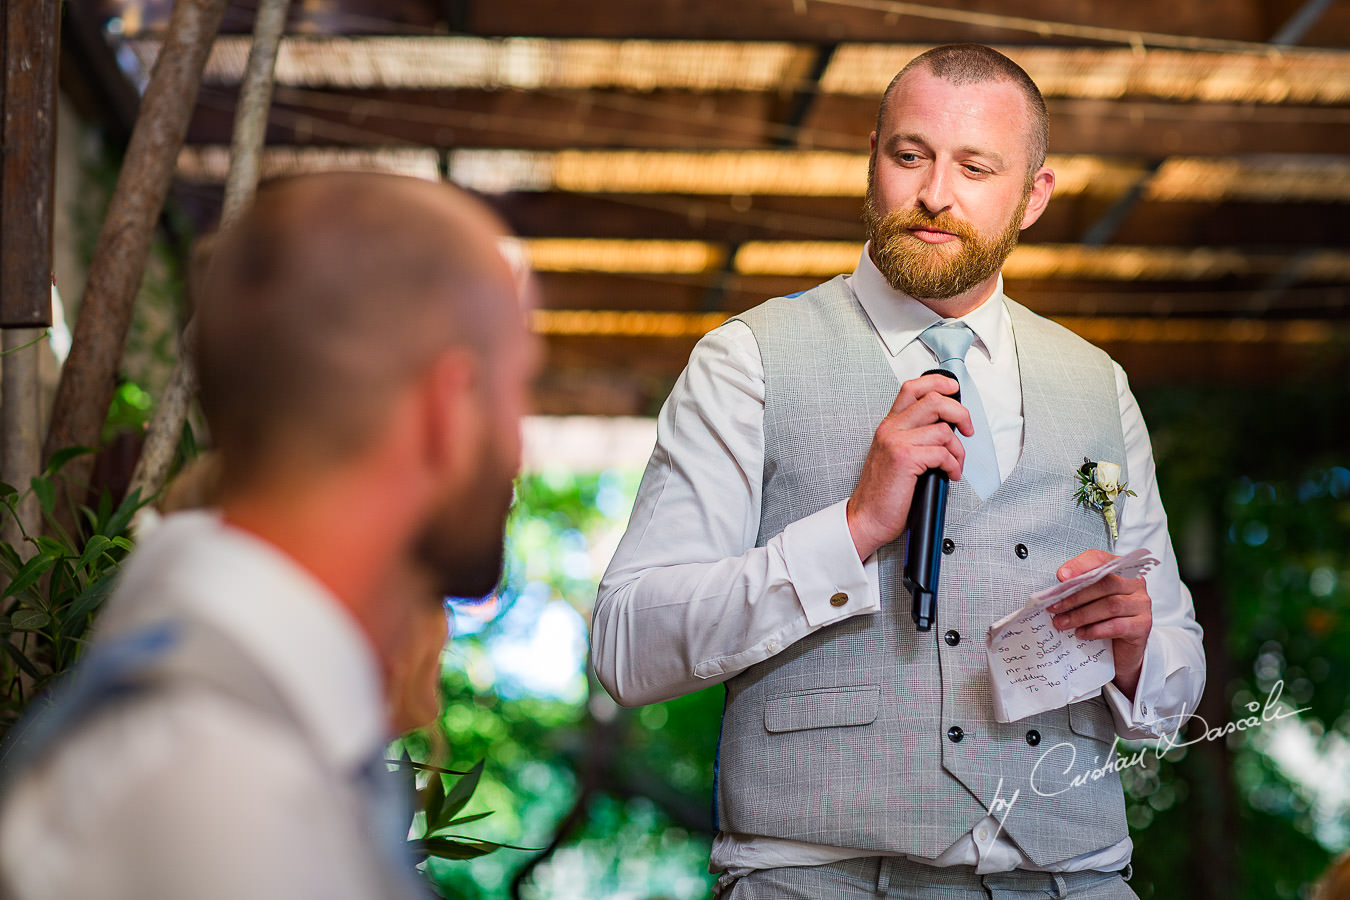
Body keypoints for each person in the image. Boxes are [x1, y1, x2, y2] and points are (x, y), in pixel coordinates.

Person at [594, 44, 1205, 899]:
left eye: (976, 166)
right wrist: (850, 532)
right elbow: (627, 648)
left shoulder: (1097, 383)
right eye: (909, 155)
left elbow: (1177, 687)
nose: (935, 194)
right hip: (817, 878)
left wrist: (1136, 647)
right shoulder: (747, 361)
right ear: (870, 164)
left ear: (1034, 197)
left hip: (1075, 876)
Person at [0, 171, 539, 899]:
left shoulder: (239, 727)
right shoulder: (223, 782)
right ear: (448, 409)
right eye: (518, 389)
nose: (518, 449)